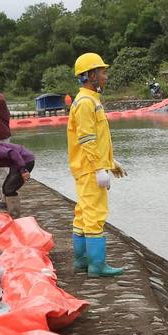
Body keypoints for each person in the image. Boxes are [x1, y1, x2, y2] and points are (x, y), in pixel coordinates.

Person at [67, 53, 127, 277]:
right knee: (95, 214)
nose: (105, 76)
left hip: (88, 167)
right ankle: (96, 265)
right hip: (90, 169)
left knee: (83, 213)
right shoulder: (85, 103)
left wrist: (110, 162)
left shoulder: (91, 100)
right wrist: (99, 169)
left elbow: (98, 139)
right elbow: (87, 139)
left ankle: (82, 262)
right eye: (102, 72)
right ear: (91, 75)